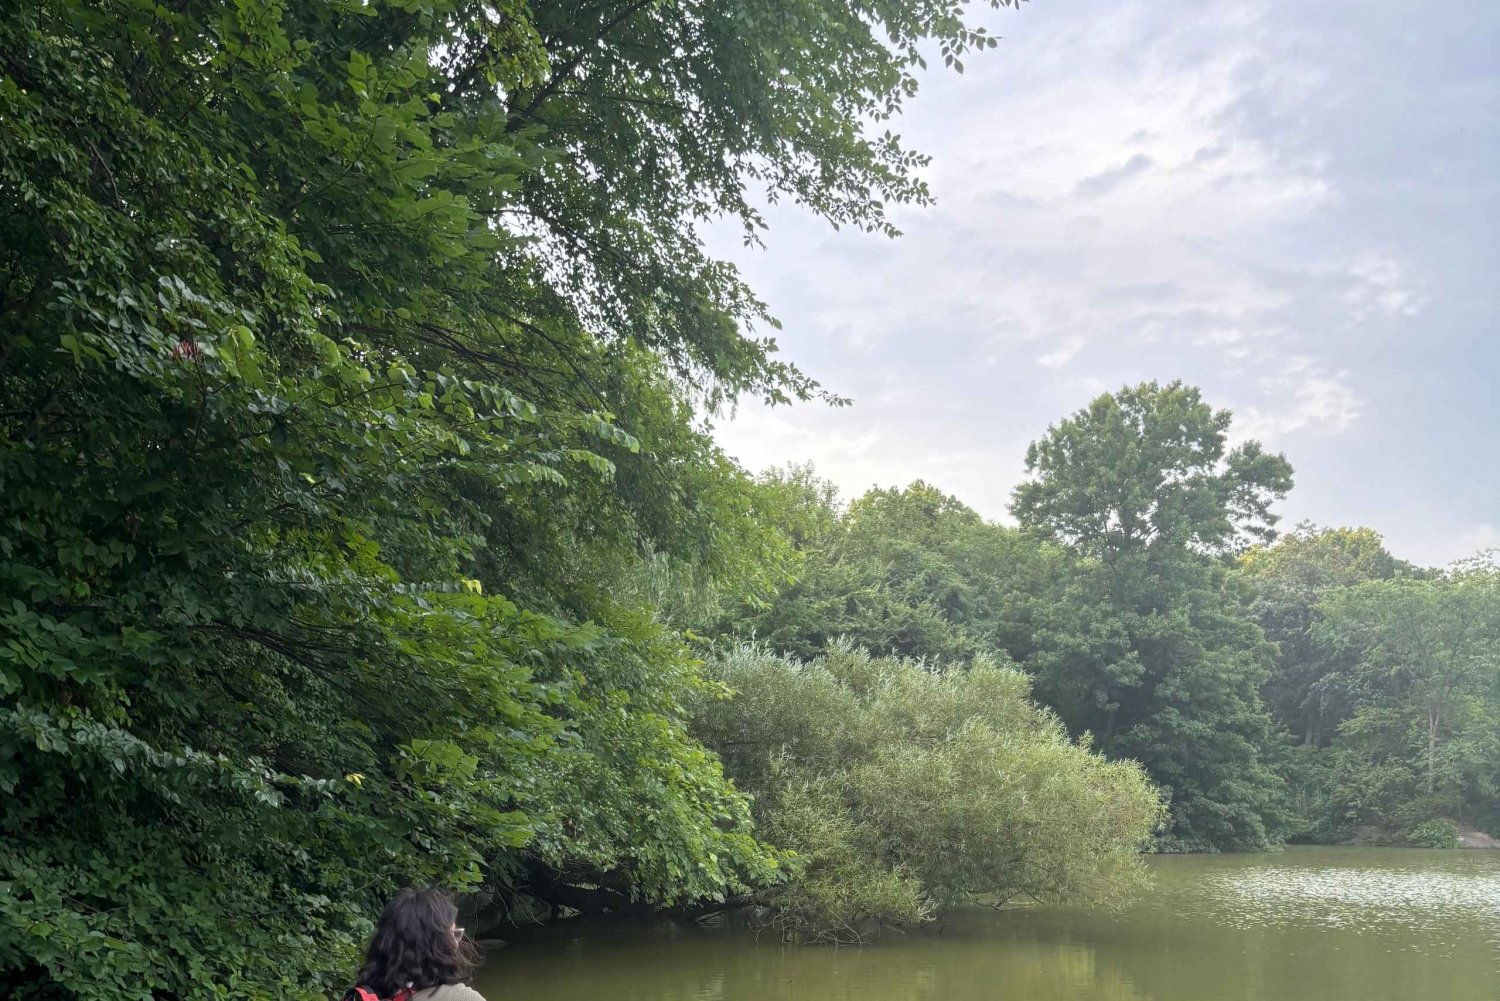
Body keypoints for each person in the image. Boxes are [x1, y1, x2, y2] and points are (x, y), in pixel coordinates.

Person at [346, 887, 488, 1001]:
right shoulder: (460, 998)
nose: (457, 944)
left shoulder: (364, 996)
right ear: (437, 944)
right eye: (454, 934)